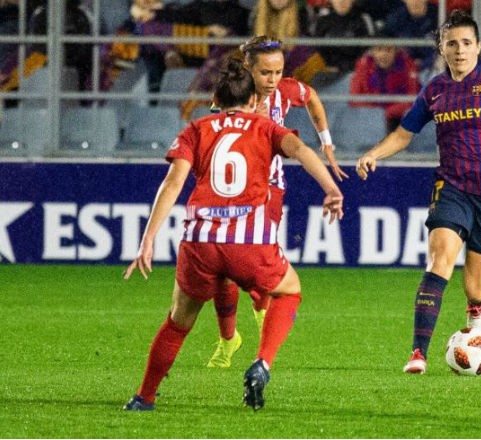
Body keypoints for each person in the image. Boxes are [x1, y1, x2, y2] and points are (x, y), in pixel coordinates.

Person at [122, 58, 344, 411]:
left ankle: (143, 397)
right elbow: (301, 151)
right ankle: (262, 362)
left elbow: (173, 182)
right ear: (253, 100)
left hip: (200, 240)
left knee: (178, 321)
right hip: (249, 241)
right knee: (289, 290)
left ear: (215, 97)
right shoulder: (265, 127)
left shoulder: (196, 129)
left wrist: (147, 239)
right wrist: (331, 188)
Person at [355, 10, 481, 374]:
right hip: (453, 186)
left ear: (478, 46)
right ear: (441, 49)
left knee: (475, 287)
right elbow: (404, 133)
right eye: (451, 44)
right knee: (440, 258)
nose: (459, 50)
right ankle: (418, 354)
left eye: (465, 43)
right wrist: (373, 153)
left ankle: (476, 312)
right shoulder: (435, 90)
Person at [206, 35, 348, 369]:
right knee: (221, 273)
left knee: (253, 269)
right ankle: (229, 339)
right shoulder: (230, 96)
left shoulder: (285, 90)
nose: (273, 80)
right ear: (248, 68)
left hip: (269, 188)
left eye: (279, 71)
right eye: (266, 73)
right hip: (229, 190)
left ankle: (262, 322)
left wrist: (326, 142)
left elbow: (311, 97)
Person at [349, 38, 422, 132]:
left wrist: (389, 112)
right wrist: (377, 112)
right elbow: (354, 97)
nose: (383, 54)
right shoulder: (364, 65)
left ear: (396, 51)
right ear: (372, 51)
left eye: (388, 50)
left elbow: (414, 98)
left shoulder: (407, 65)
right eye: (379, 49)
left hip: (398, 116)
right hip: (370, 117)